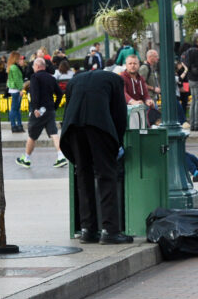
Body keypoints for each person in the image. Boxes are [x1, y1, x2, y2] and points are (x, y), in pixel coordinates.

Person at [59, 67, 129, 244]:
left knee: (83, 176)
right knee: (106, 175)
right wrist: (118, 142)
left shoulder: (75, 80)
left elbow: (68, 110)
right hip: (99, 126)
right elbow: (120, 115)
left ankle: (87, 230)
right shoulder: (116, 80)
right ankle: (110, 230)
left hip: (73, 128)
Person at [16, 57, 68, 168]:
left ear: (38, 66)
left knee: (32, 135)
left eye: (34, 66)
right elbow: (60, 93)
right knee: (54, 134)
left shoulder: (35, 77)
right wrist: (55, 106)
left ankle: (26, 158)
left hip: (39, 111)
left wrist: (35, 108)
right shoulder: (51, 78)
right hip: (50, 110)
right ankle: (61, 156)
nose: (33, 68)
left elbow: (35, 94)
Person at [121, 54, 155, 118]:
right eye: (130, 63)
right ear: (126, 65)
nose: (132, 65)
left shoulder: (141, 78)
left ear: (139, 65)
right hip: (126, 112)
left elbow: (145, 94)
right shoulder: (122, 77)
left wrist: (148, 100)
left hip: (139, 111)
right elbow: (123, 93)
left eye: (135, 63)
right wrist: (133, 102)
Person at [183, 41, 198, 131]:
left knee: (193, 102)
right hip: (197, 78)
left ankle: (192, 123)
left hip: (190, 78)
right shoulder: (197, 52)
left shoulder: (188, 51)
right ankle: (197, 124)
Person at [6, 51, 25, 133]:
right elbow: (17, 80)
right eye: (18, 58)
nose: (19, 59)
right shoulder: (14, 67)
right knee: (15, 109)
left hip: (14, 89)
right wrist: (21, 89)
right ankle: (15, 125)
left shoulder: (12, 67)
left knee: (15, 109)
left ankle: (17, 125)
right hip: (16, 90)